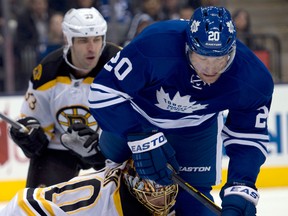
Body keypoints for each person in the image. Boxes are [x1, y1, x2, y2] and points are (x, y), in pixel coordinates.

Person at [88, 6, 274, 215]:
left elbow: (247, 137)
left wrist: (241, 189)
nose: (210, 69)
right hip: (139, 118)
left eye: (219, 60)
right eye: (202, 58)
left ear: (232, 51)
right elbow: (102, 92)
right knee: (118, 192)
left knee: (193, 206)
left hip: (196, 130)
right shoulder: (155, 45)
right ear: (188, 47)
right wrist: (140, 137)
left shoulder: (253, 77)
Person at [9, 7, 121, 188]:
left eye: (97, 39)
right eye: (83, 40)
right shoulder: (47, 72)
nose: (92, 48)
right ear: (68, 40)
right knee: (40, 205)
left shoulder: (119, 67)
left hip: (111, 147)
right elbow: (36, 131)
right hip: (61, 146)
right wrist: (29, 137)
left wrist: (103, 146)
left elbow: (137, 121)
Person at [0, 159, 178, 216]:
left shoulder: (177, 202)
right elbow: (24, 204)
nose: (160, 197)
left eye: (165, 187)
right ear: (133, 184)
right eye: (151, 188)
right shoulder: (99, 199)